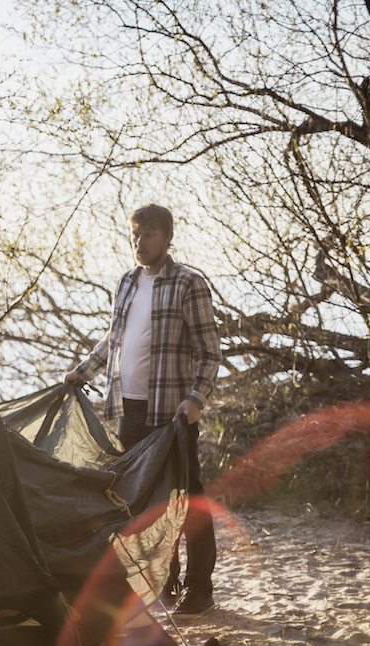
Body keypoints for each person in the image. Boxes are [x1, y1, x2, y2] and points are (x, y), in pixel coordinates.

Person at [64, 204, 222, 618]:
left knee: (187, 500)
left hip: (172, 416)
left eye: (148, 234)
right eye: (135, 234)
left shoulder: (190, 284)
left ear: (167, 238)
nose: (140, 242)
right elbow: (113, 340)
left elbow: (210, 353)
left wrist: (194, 401)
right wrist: (81, 373)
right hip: (127, 410)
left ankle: (200, 589)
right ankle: (165, 582)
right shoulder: (127, 282)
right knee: (145, 505)